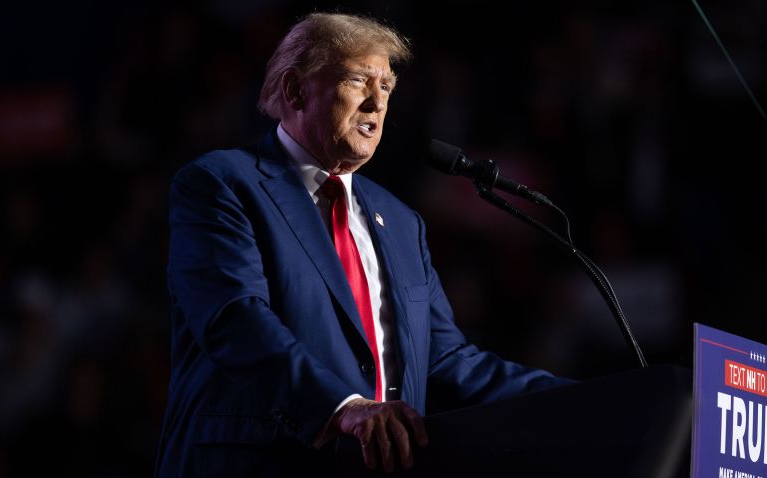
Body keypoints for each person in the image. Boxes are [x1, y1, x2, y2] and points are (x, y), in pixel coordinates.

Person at [155, 12, 570, 477]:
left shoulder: (399, 220)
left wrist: (581, 400)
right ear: (295, 90)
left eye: (387, 87)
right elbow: (235, 320)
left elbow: (448, 363)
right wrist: (344, 406)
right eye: (358, 80)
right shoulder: (222, 184)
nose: (377, 104)